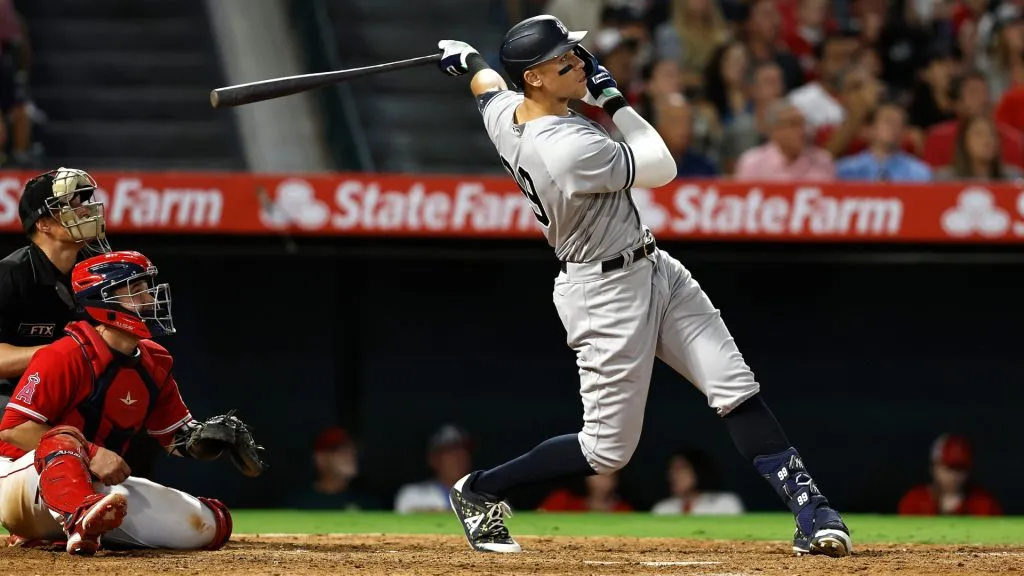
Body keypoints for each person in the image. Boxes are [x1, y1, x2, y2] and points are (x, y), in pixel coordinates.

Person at [435, 14, 851, 558]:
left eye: (575, 53)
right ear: (534, 77)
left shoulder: (507, 110)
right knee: (606, 451)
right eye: (564, 59)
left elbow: (487, 85)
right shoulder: (561, 146)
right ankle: (481, 489)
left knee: (733, 386)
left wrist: (467, 58)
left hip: (654, 266)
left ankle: (813, 511)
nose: (580, 62)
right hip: (603, 293)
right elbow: (662, 165)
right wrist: (613, 99)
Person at [0, 250, 267, 555]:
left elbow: (178, 439)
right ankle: (74, 518)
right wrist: (91, 452)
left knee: (207, 525)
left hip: (96, 485)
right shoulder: (64, 354)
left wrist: (211, 438)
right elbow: (13, 428)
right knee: (64, 439)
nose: (150, 300)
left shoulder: (156, 361)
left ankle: (77, 527)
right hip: (24, 483)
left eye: (147, 289)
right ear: (102, 300)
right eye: (135, 291)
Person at [0, 168, 110, 418]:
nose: (85, 211)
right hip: (14, 392)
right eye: (71, 206)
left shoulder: (98, 267)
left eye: (82, 203)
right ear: (44, 224)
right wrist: (62, 352)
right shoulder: (10, 275)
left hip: (75, 391)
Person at [898, 434, 1002, 516]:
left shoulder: (984, 504)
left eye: (961, 468)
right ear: (934, 466)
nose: (954, 475)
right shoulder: (914, 501)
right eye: (949, 467)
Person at [287, 426, 379, 510]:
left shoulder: (367, 503)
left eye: (352, 450)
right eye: (341, 450)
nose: (351, 455)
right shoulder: (298, 504)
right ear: (320, 458)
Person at [394, 424, 474, 513]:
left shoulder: (482, 495)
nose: (457, 458)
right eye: (450, 454)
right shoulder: (413, 494)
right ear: (433, 459)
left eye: (462, 452)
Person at [651, 448, 744, 515]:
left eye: (680, 469)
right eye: (672, 470)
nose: (673, 475)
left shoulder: (725, 504)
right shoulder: (662, 509)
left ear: (697, 471)